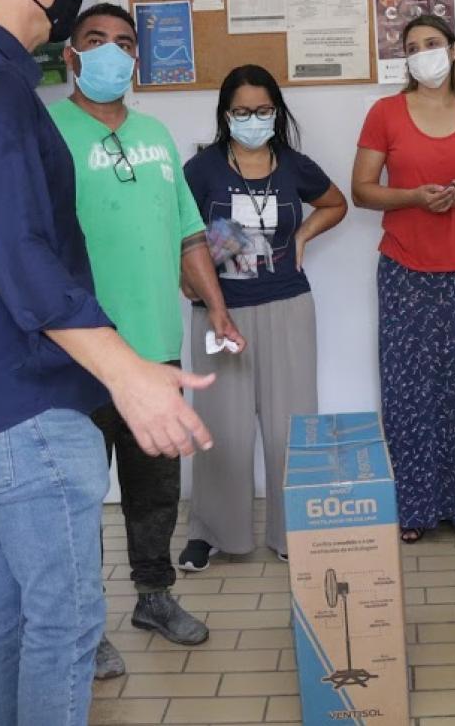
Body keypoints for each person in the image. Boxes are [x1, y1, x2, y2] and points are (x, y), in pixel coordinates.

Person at [0, 0, 215, 726]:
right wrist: (132, 376)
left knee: (9, 608)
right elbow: (22, 260)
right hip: (23, 404)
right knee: (68, 621)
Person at [49, 3, 246, 677]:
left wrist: (216, 309)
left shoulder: (159, 135)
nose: (112, 53)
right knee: (75, 498)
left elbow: (188, 236)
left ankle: (154, 597)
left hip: (156, 345)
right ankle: (83, 627)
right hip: (74, 352)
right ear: (70, 55)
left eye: (125, 43)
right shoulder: (44, 131)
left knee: (155, 487)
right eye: (95, 41)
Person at [351, 15, 455, 543]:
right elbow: (362, 190)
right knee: (408, 393)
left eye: (431, 44)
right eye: (412, 47)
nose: (423, 53)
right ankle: (415, 510)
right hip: (404, 269)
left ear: (454, 49)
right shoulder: (385, 113)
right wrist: (413, 197)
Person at [178, 65, 348, 570]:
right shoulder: (203, 168)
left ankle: (292, 530)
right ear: (226, 114)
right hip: (219, 312)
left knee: (290, 426)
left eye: (263, 110)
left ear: (277, 112)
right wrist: (188, 277)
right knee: (222, 428)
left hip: (287, 304)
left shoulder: (294, 165)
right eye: (242, 111)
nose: (254, 119)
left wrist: (301, 236)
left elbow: (336, 203)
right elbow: (180, 229)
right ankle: (210, 532)